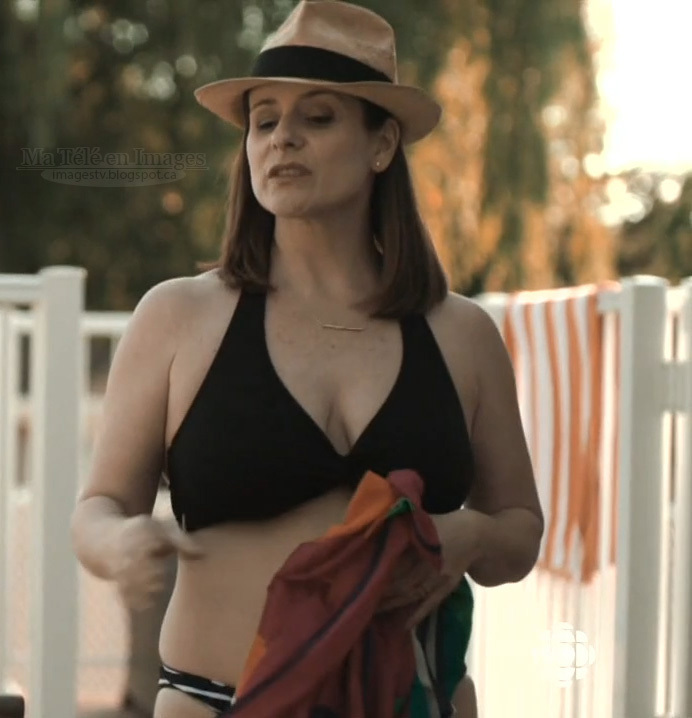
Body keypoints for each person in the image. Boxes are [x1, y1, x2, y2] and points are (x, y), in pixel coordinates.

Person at [70, 2, 543, 717]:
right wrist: (120, 544)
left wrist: (471, 534)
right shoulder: (177, 318)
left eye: (317, 118)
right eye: (264, 122)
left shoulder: (462, 334)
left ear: (382, 144)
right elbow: (98, 507)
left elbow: (520, 530)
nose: (282, 138)